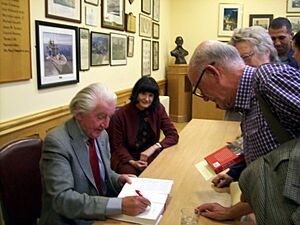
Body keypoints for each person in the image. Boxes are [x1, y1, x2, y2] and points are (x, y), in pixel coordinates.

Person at [188, 40, 300, 221]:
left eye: (200, 89)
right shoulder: (248, 105)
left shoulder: (268, 78)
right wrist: (232, 211)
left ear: (213, 72)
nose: (205, 99)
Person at [39, 83, 151, 225]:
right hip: (71, 220)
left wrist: (118, 179)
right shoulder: (57, 142)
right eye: (101, 117)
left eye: (109, 117)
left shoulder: (101, 135)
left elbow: (101, 174)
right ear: (79, 114)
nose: (106, 124)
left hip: (98, 214)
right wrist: (119, 205)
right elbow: (62, 199)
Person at [108, 76, 179, 176]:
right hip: (125, 156)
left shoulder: (158, 109)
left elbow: (173, 135)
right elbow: (117, 145)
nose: (147, 99)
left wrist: (154, 147)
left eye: (151, 95)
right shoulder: (120, 115)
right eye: (143, 94)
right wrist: (132, 162)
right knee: (132, 176)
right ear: (136, 94)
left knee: (162, 169)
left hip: (148, 154)